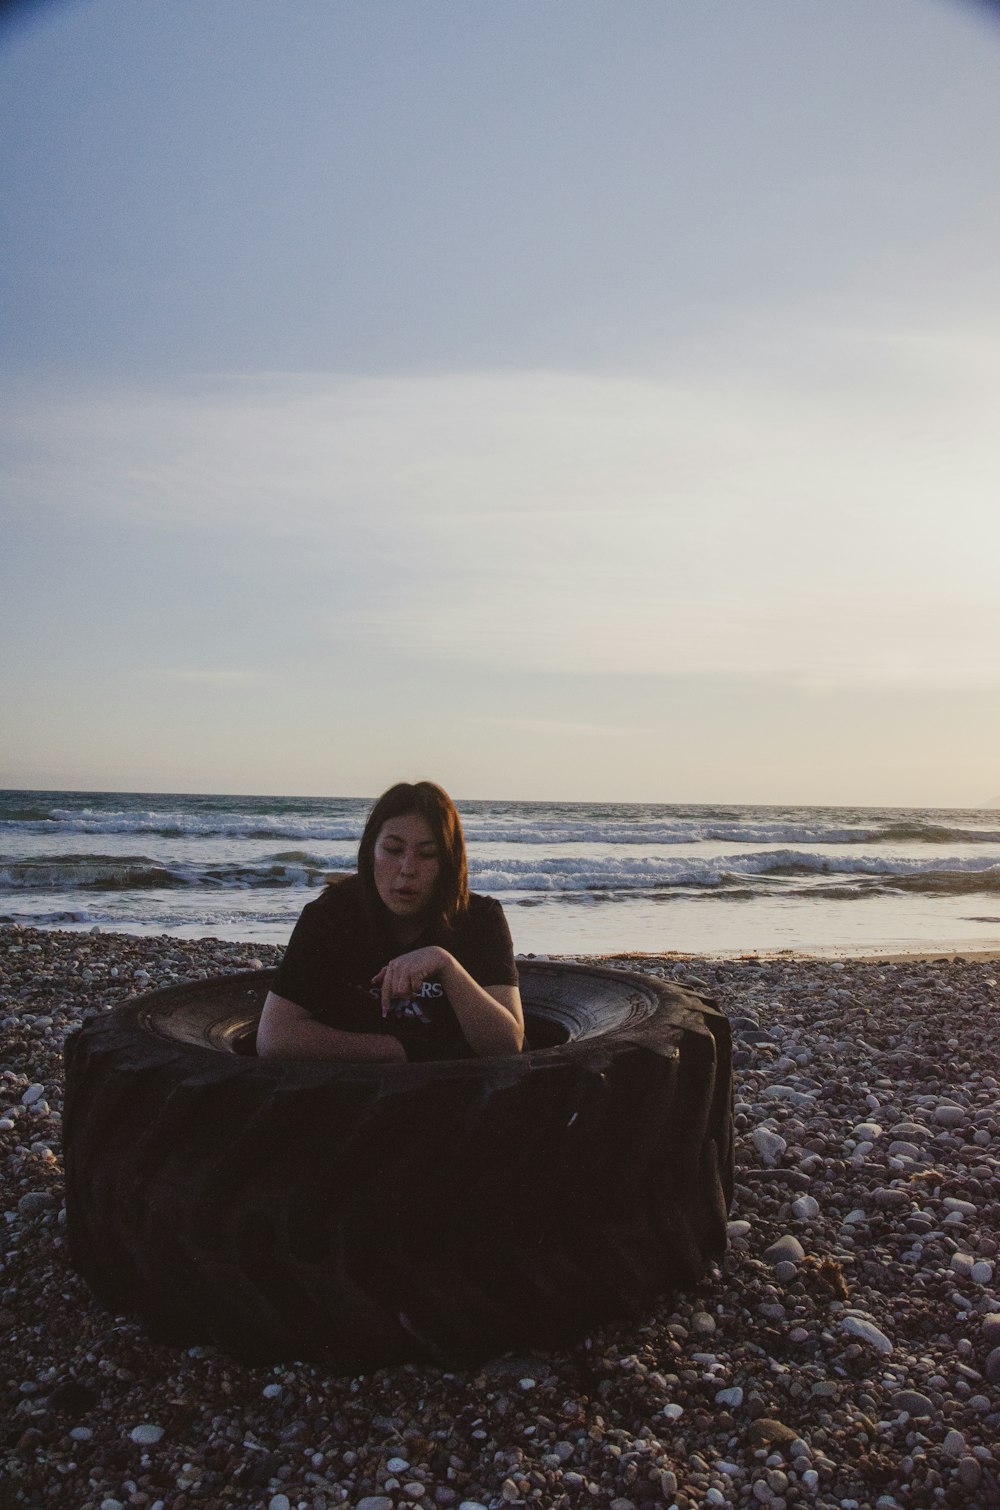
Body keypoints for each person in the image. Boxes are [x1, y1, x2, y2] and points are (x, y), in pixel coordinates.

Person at [256, 781, 523, 1061]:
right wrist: (399, 1052)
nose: (408, 869)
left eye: (428, 854)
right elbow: (274, 1038)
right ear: (371, 852)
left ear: (449, 861)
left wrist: (445, 964)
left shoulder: (481, 919)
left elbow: (508, 1045)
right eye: (393, 850)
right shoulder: (330, 915)